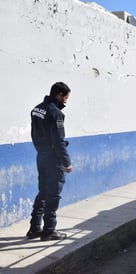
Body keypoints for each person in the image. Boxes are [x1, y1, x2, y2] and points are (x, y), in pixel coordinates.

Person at [26, 82, 73, 241]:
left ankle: (34, 228)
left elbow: (33, 134)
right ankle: (49, 231)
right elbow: (59, 142)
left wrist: (41, 151)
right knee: (53, 195)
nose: (66, 102)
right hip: (53, 160)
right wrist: (66, 162)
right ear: (59, 95)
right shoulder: (56, 113)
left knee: (43, 193)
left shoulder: (36, 109)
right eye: (65, 98)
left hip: (41, 156)